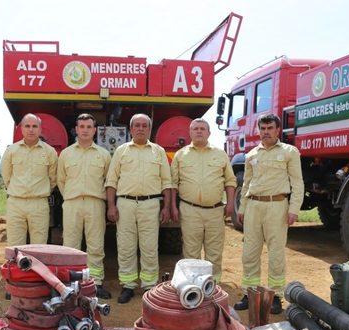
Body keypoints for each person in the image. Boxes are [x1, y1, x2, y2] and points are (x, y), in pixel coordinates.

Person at [233, 113, 304, 314]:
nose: (266, 132)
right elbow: (247, 183)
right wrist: (243, 208)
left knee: (276, 254)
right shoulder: (251, 155)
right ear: (258, 130)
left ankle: (275, 297)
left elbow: (297, 183)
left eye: (270, 128)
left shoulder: (290, 152)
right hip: (254, 206)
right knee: (249, 253)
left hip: (277, 206)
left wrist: (293, 209)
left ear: (277, 130)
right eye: (262, 129)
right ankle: (250, 293)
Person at [105, 114, 173, 304]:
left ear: (150, 129)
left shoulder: (158, 151)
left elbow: (167, 182)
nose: (141, 128)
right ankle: (128, 285)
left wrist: (166, 207)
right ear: (131, 128)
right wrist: (111, 205)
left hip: (150, 204)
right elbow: (111, 181)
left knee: (149, 246)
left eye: (145, 125)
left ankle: (149, 286)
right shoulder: (121, 151)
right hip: (125, 203)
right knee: (126, 246)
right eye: (137, 125)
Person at [170, 118, 236, 282]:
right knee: (191, 251)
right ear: (190, 132)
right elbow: (172, 184)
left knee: (214, 251)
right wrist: (172, 206)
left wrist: (230, 203)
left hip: (215, 211)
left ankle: (212, 285)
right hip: (189, 209)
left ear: (209, 133)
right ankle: (192, 285)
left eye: (202, 129)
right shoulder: (181, 155)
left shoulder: (220, 154)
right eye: (195, 129)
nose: (199, 131)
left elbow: (230, 181)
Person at [57, 113, 112, 299]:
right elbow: (60, 180)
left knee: (95, 245)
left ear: (95, 130)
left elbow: (108, 180)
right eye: (82, 126)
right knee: (71, 245)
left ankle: (95, 282)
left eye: (89, 127)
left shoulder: (104, 155)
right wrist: (71, 197)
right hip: (72, 203)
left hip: (95, 202)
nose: (85, 130)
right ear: (76, 129)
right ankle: (70, 283)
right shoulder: (66, 154)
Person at [1, 113, 58, 245]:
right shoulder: (11, 151)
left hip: (39, 203)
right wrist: (17, 191)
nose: (31, 129)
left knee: (39, 246)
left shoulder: (50, 152)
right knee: (15, 245)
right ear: (21, 128)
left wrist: (41, 191)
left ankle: (36, 266)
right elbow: (6, 176)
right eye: (27, 126)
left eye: (34, 126)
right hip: (16, 203)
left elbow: (53, 178)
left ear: (40, 129)